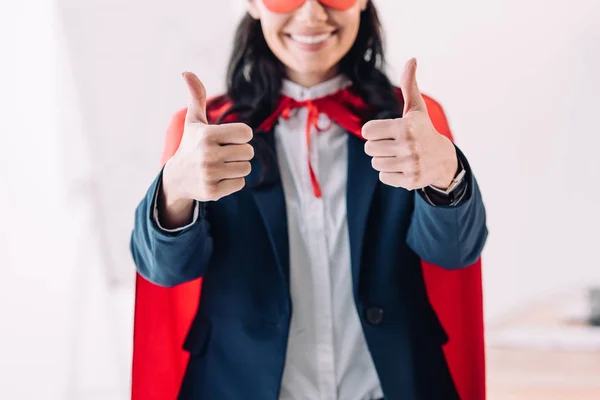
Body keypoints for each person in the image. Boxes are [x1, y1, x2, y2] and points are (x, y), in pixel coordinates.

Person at [130, 1, 488, 399]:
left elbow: (455, 253)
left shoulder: (411, 126)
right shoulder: (204, 133)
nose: (312, 14)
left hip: (391, 384)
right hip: (239, 385)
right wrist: (174, 191)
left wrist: (447, 176)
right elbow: (165, 271)